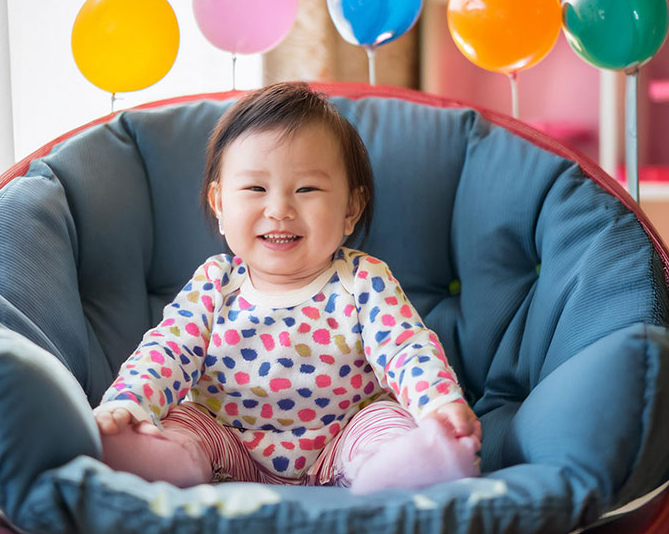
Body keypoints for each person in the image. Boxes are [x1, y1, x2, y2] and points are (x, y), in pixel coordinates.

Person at [94, 82, 481, 494]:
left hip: (344, 435)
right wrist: (129, 403)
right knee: (185, 426)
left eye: (307, 189)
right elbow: (169, 351)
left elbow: (405, 347)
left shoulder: (363, 280)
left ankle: (402, 467)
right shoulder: (215, 284)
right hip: (226, 440)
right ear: (221, 204)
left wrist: (438, 403)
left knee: (385, 423)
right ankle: (159, 459)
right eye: (256, 189)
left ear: (350, 208)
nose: (279, 209)